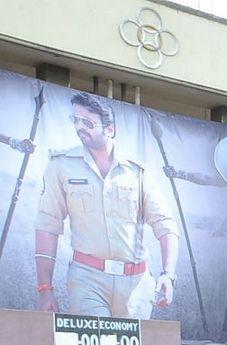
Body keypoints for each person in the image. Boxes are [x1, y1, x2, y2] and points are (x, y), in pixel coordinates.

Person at [34, 92, 178, 319]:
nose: (80, 127)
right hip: (87, 280)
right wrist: (45, 289)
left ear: (110, 130)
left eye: (88, 123)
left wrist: (168, 275)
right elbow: (47, 226)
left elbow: (165, 225)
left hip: (136, 285)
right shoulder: (60, 166)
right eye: (76, 120)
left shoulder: (138, 172)